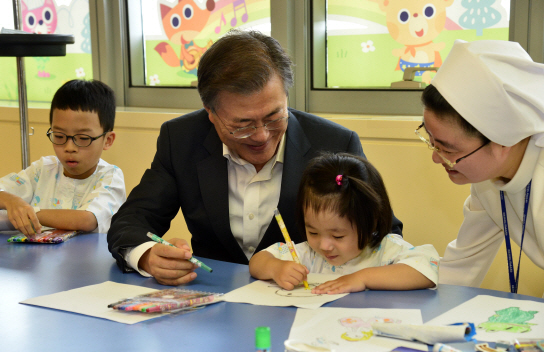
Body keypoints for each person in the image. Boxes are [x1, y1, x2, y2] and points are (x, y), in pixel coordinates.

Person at [107, 30, 403, 286]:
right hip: (214, 309)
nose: (261, 135)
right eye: (242, 125)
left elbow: (385, 231)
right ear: (210, 113)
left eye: (274, 116)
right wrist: (147, 256)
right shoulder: (183, 139)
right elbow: (132, 221)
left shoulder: (334, 143)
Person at [418, 40, 544, 293]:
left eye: (448, 149)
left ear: (502, 140)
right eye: (430, 141)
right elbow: (460, 268)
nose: (436, 158)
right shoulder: (489, 182)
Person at [249, 153, 438, 293]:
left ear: (371, 223)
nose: (324, 245)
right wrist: (276, 269)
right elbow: (257, 261)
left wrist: (362, 278)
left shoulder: (385, 250)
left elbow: (426, 268)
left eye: (337, 235)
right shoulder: (309, 254)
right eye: (313, 232)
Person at [0, 79, 126, 237]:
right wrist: (10, 201)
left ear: (107, 140)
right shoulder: (42, 169)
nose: (69, 147)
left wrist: (26, 214)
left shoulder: (110, 177)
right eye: (59, 136)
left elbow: (86, 219)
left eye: (83, 138)